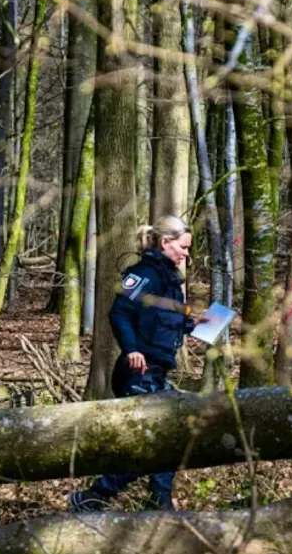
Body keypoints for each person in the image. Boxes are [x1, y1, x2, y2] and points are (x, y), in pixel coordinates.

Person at [69, 215, 201, 512]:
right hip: (136, 373)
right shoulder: (143, 274)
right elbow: (119, 312)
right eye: (183, 247)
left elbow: (176, 321)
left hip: (157, 373)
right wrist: (131, 350)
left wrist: (202, 323)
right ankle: (101, 497)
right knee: (161, 439)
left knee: (166, 438)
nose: (186, 254)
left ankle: (152, 501)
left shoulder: (170, 283)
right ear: (166, 243)